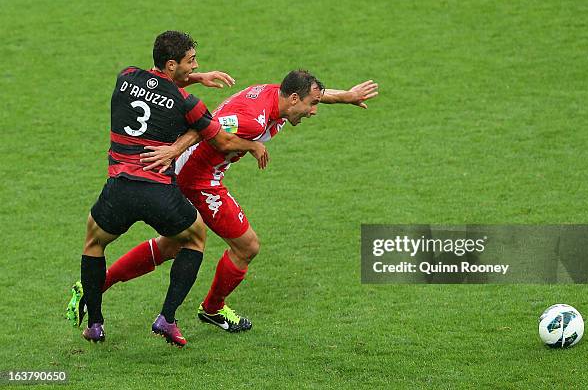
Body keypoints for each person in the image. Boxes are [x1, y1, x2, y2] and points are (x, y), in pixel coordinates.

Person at [68, 69, 377, 334]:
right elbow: (208, 127)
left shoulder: (277, 96)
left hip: (198, 173)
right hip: (199, 179)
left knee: (174, 245)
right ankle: (212, 309)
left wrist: (347, 96)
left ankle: (93, 285)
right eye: (311, 105)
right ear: (293, 99)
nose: (313, 111)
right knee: (247, 247)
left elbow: (315, 94)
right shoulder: (253, 120)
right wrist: (187, 149)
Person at [74, 30, 268, 347]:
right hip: (158, 192)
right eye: (191, 62)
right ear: (171, 64)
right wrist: (252, 145)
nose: (196, 66)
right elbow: (218, 139)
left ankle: (95, 324)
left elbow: (154, 87)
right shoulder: (187, 103)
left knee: (94, 243)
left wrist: (196, 76)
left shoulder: (125, 76)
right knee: (194, 238)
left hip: (119, 188)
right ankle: (167, 317)